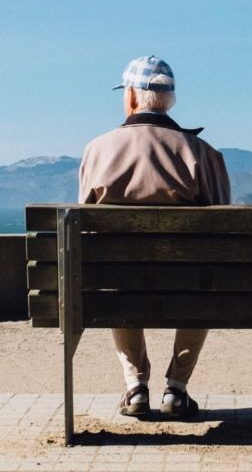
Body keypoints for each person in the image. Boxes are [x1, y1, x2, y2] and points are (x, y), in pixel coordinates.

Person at [78, 55, 231, 418]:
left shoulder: (98, 150)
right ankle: (176, 389)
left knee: (113, 277)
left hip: (121, 284)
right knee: (203, 281)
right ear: (169, 101)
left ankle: (135, 387)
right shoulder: (202, 154)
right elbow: (226, 227)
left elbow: (82, 228)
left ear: (131, 97)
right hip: (188, 284)